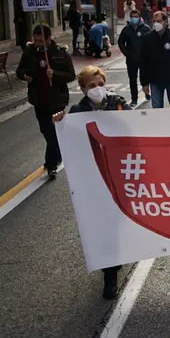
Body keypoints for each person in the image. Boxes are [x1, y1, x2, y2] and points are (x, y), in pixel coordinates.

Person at [52, 66, 131, 299]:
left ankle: (116, 257)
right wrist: (60, 122)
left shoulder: (118, 103)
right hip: (95, 177)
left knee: (118, 220)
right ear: (83, 88)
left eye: (100, 84)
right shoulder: (78, 112)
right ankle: (109, 274)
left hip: (118, 174)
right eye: (91, 85)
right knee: (103, 224)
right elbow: (70, 139)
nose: (97, 89)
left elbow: (134, 130)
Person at [16, 24, 76, 179]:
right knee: (46, 130)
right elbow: (20, 70)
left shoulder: (60, 53)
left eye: (41, 41)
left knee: (52, 131)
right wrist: (24, 75)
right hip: (38, 99)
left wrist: (54, 74)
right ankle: (56, 154)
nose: (37, 44)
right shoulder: (30, 52)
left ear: (49, 39)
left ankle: (51, 165)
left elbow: (71, 75)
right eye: (35, 40)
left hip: (57, 99)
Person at [118, 9, 152, 106]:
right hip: (131, 59)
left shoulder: (146, 29)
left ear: (139, 17)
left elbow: (151, 42)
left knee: (144, 78)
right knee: (132, 79)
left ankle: (146, 92)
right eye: (132, 17)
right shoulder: (126, 29)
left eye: (136, 17)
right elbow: (120, 42)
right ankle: (134, 98)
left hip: (143, 59)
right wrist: (126, 53)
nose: (134, 18)